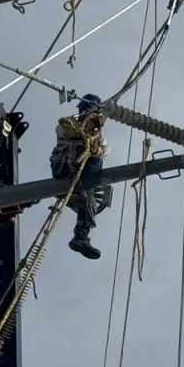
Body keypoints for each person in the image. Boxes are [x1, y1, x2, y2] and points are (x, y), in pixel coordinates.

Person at [49, 94, 109, 259]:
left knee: (86, 200)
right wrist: (86, 127)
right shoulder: (68, 124)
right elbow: (65, 131)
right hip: (65, 168)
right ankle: (80, 237)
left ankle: (81, 238)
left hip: (81, 177)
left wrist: (95, 149)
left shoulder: (98, 135)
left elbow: (104, 151)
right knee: (86, 191)